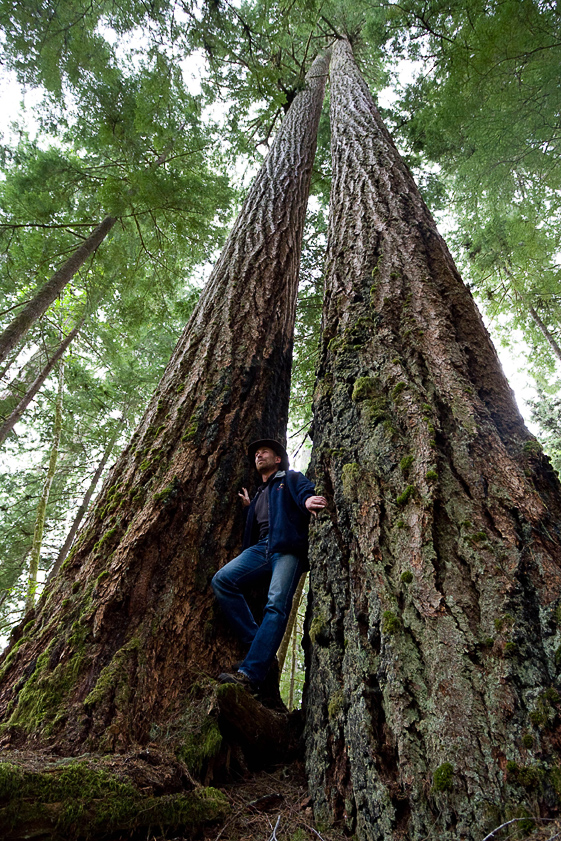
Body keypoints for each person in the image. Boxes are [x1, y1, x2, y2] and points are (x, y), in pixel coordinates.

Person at [212, 438, 327, 695]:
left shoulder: (289, 478)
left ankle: (250, 673)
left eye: (264, 452)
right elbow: (262, 518)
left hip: (286, 548)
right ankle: (259, 644)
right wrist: (250, 507)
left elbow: (304, 490)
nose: (258, 456)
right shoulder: (260, 494)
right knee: (222, 580)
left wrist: (308, 501)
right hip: (261, 549)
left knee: (276, 605)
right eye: (256, 454)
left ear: (277, 459)